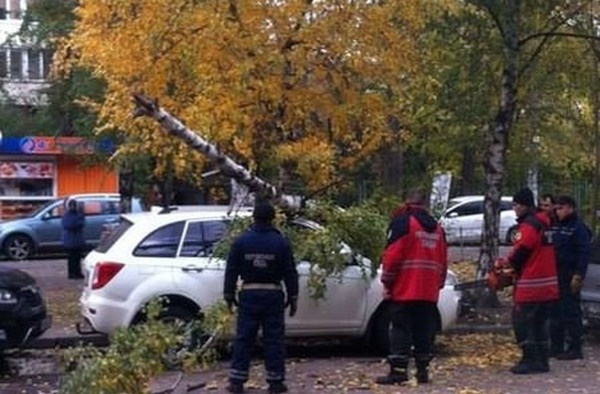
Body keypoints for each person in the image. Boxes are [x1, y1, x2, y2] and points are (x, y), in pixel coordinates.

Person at [223, 200, 299, 394]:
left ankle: (237, 381)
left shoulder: (241, 241)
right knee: (273, 339)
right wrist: (293, 296)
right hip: (273, 295)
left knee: (244, 338)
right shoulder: (280, 242)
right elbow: (290, 271)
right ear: (272, 219)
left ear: (254, 218)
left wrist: (229, 295)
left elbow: (231, 270)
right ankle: (275, 382)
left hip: (249, 294)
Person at [376, 188, 448, 385]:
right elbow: (443, 259)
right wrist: (438, 284)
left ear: (408, 202)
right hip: (428, 290)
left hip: (405, 288)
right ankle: (423, 372)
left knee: (400, 329)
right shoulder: (438, 229)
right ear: (425, 205)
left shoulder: (403, 223)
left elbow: (392, 256)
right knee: (424, 331)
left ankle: (398, 371)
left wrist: (387, 283)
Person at [503, 187, 559, 374]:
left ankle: (529, 359)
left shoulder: (529, 226)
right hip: (548, 285)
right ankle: (542, 360)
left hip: (531, 285)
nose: (514, 209)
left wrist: (507, 264)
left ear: (524, 205)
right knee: (540, 322)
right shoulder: (545, 224)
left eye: (516, 205)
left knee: (521, 322)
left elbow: (522, 251)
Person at [549, 195, 591, 360]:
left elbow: (583, 252)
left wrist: (579, 274)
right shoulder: (558, 225)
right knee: (556, 312)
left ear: (570, 208)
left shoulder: (578, 228)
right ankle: (557, 346)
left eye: (560, 208)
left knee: (571, 311)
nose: (557, 211)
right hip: (556, 274)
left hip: (570, 274)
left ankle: (575, 347)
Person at [61, 199, 85, 279]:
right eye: (72, 205)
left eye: (74, 205)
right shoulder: (68, 215)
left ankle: (77, 272)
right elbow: (69, 225)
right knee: (72, 258)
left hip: (76, 239)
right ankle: (72, 273)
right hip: (71, 239)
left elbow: (82, 223)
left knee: (77, 257)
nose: (74, 207)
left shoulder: (78, 214)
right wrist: (77, 223)